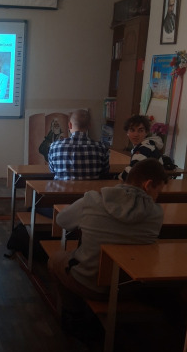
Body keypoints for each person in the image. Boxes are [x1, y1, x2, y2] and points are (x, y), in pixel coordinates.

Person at [48, 159, 167, 331]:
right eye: (158, 191)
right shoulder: (157, 214)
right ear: (148, 185)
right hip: (129, 286)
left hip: (89, 283)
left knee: (55, 260)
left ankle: (73, 313)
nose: (157, 197)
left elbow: (62, 221)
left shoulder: (93, 199)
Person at [48, 109, 110, 180]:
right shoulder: (101, 147)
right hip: (91, 187)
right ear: (89, 126)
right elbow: (105, 172)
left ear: (69, 125)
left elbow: (52, 170)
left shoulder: (54, 146)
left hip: (62, 187)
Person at [120, 114, 164, 181]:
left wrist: (119, 176)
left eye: (140, 131)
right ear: (127, 132)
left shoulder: (144, 148)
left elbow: (129, 175)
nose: (136, 134)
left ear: (146, 132)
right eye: (132, 130)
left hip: (151, 184)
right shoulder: (148, 144)